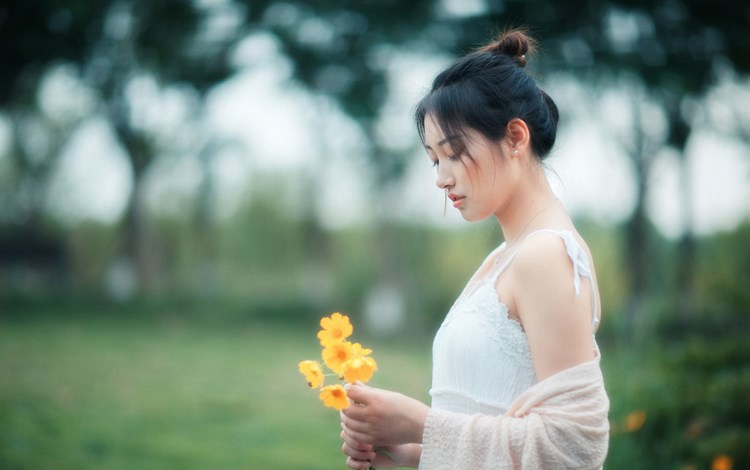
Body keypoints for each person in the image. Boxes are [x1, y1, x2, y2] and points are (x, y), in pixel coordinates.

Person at [339, 29, 610, 470]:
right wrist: (405, 449)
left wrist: (421, 424)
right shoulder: (502, 259)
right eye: (434, 159)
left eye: (454, 152)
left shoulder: (545, 255)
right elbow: (487, 419)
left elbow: (575, 445)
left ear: (516, 138)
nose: (441, 178)